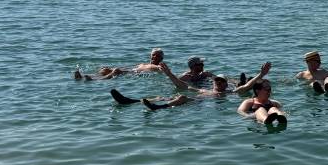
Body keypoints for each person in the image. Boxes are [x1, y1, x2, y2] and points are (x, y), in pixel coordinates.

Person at [108, 61, 271, 110]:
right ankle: (131, 101)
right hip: (199, 99)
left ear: (226, 83)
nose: (219, 83)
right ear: (214, 83)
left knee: (182, 97)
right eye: (217, 81)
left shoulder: (230, 93)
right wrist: (169, 73)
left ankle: (158, 108)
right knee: (170, 95)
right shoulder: (204, 89)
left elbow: (248, 86)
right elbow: (182, 84)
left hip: (202, 103)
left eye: (221, 81)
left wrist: (261, 75)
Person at [73, 48, 166, 80]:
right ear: (150, 56)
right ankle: (83, 76)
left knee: (116, 71)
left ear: (161, 58)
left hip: (135, 74)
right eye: (153, 55)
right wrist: (111, 68)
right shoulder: (142, 64)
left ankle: (94, 80)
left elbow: (164, 71)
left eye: (157, 56)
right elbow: (130, 67)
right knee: (105, 69)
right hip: (132, 70)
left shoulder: (159, 66)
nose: (154, 57)